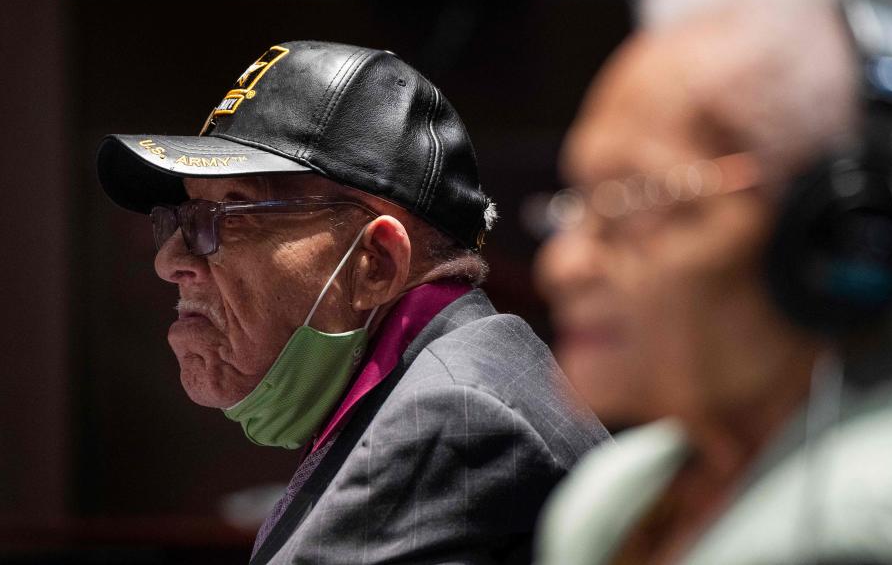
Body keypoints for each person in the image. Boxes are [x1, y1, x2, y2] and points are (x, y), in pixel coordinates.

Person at [533, 0, 892, 565]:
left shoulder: (873, 530)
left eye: (636, 203)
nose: (561, 267)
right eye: (582, 201)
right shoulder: (614, 494)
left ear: (846, 235)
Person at [96, 40, 609, 565]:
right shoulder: (441, 377)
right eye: (180, 220)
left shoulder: (447, 418)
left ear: (376, 262)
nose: (170, 261)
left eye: (228, 216)